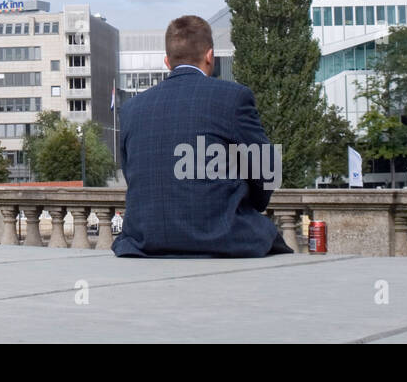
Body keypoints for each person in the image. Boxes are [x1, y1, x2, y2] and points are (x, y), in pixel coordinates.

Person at [112, 15, 291, 258]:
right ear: (210, 56)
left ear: (167, 62)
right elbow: (268, 168)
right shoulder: (234, 97)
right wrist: (253, 201)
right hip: (222, 238)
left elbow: (133, 174)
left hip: (145, 242)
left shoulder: (132, 109)